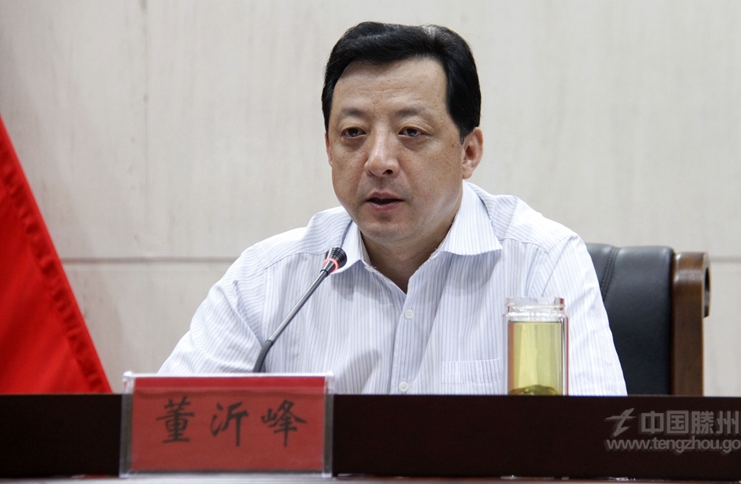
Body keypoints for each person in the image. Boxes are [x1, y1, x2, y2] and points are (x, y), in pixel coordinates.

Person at [160, 22, 627, 396]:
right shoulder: (268, 281)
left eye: (411, 132)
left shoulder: (541, 263)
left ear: (468, 152)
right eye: (353, 133)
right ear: (328, 148)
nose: (378, 160)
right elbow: (164, 435)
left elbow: (599, 452)